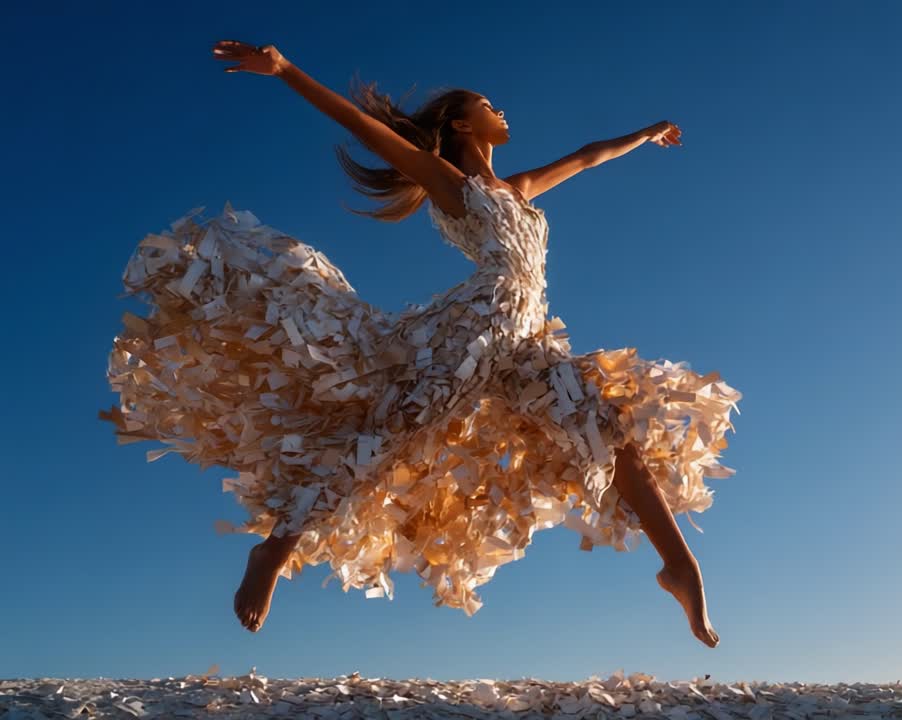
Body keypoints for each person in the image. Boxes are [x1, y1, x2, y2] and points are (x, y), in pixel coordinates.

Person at [100, 39, 741, 648]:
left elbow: (586, 155)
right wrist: (286, 70)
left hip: (526, 342)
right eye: (487, 104)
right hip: (474, 329)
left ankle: (679, 565)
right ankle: (276, 546)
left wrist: (645, 134)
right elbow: (361, 125)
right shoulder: (448, 183)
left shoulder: (515, 190)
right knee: (386, 439)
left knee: (603, 427)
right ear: (462, 127)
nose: (501, 109)